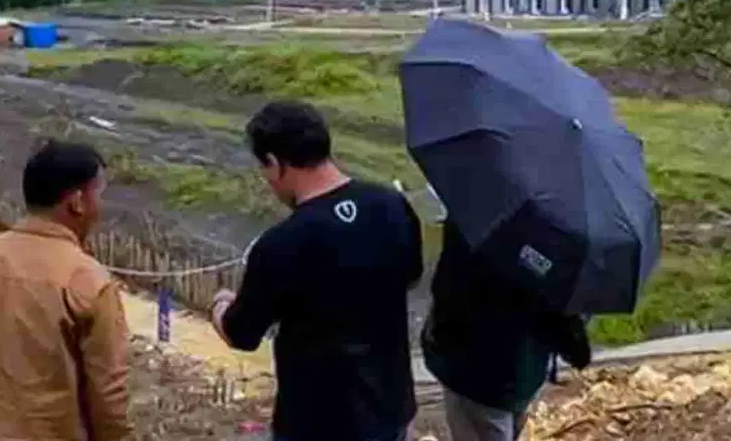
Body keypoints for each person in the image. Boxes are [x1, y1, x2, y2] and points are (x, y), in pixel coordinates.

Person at [209, 100, 423, 441]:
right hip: (390, 406)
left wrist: (220, 305)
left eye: (265, 170)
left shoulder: (282, 243)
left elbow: (242, 333)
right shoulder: (391, 205)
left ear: (276, 164)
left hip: (318, 422)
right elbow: (411, 275)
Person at [0, 139, 130, 441]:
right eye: (98, 194)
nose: (101, 207)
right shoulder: (88, 282)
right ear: (76, 202)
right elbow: (108, 401)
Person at [422, 220, 591, 441]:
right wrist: (575, 346)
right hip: (523, 373)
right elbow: (566, 316)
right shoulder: (564, 235)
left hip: (472, 373)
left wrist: (437, 341)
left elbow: (447, 289)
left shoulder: (475, 218)